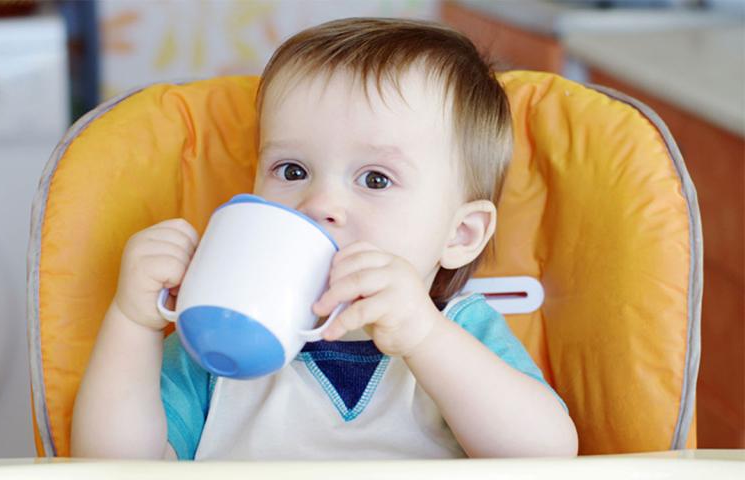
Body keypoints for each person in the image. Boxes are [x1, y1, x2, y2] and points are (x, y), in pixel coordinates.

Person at [71, 17, 578, 460]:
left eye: (375, 179)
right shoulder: (216, 329)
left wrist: (425, 336)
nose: (318, 204)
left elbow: (546, 455)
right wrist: (132, 322)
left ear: (461, 234)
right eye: (291, 169)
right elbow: (114, 464)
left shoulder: (461, 335)